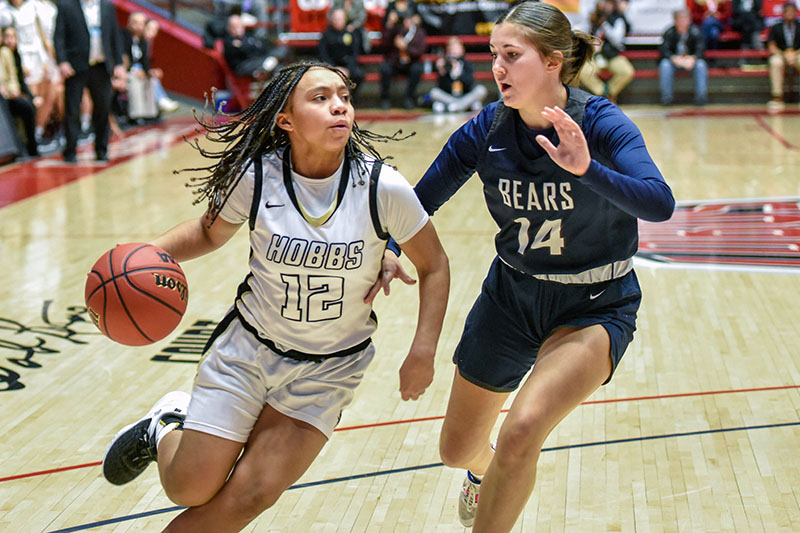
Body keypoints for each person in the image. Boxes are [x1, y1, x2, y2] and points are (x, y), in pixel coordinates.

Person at [101, 61, 450, 532]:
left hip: (329, 368)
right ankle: (165, 423)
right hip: (248, 351)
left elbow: (435, 265)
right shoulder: (257, 177)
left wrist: (422, 351)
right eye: (321, 98)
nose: (339, 107)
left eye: (344, 97)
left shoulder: (382, 186)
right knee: (188, 488)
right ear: (285, 119)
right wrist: (138, 257)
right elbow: (207, 234)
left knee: (250, 495)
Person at [369, 2, 675, 530]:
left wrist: (587, 170)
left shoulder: (601, 123)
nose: (498, 69)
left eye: (512, 55)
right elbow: (422, 200)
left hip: (594, 303)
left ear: (553, 63)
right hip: (512, 295)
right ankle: (486, 474)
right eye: (494, 55)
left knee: (521, 430)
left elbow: (658, 202)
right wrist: (393, 249)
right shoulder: (487, 129)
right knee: (457, 448)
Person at [54, 0, 125, 163]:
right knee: (72, 109)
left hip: (101, 66)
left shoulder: (107, 6)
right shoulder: (66, 6)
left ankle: (101, 150)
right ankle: (70, 151)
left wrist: (119, 63)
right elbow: (59, 36)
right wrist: (62, 61)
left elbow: (115, 34)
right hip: (76, 65)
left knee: (102, 108)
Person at [579, 0, 635, 103]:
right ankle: (602, 93)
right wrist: (591, 43)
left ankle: (610, 92)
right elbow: (582, 33)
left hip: (612, 55)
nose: (604, 5)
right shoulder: (593, 17)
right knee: (584, 72)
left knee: (626, 71)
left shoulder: (618, 18)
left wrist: (605, 25)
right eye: (602, 3)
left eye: (607, 3)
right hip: (595, 56)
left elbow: (617, 40)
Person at [0, 24, 38, 156]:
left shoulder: (6, 53)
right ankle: (16, 149)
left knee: (27, 106)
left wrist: (13, 91)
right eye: (6, 37)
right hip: (3, 99)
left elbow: (13, 78)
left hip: (8, 96)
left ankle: (31, 147)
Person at [658, 9, 709, 106]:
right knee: (664, 65)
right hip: (674, 61)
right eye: (680, 19)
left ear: (689, 20)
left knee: (701, 65)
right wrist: (673, 58)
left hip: (691, 61)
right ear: (675, 20)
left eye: (685, 19)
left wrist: (693, 58)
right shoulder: (669, 32)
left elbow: (701, 49)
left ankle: (701, 98)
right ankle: (666, 99)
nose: (682, 21)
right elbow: (663, 50)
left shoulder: (696, 31)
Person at [425, 35, 488, 113]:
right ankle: (461, 106)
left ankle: (457, 106)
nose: (454, 51)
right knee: (434, 93)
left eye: (456, 48)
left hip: (465, 95)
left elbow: (470, 83)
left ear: (462, 50)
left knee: (481, 90)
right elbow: (441, 86)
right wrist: (443, 71)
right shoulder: (444, 64)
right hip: (449, 96)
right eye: (451, 49)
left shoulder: (467, 64)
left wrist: (459, 74)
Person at [379, 11, 426, 109]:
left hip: (411, 62)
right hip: (395, 62)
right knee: (385, 68)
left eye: (409, 20)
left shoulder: (418, 32)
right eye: (405, 20)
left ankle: (409, 97)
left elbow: (420, 50)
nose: (408, 22)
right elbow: (384, 45)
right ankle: (385, 98)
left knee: (417, 69)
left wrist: (406, 49)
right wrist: (389, 26)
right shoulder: (395, 31)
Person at [318, 7, 365, 102]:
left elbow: (355, 54)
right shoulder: (326, 35)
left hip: (348, 66)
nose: (338, 21)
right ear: (331, 20)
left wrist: (347, 69)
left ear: (345, 19)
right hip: (331, 67)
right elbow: (323, 55)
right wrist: (335, 69)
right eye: (336, 19)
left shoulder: (352, 33)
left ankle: (352, 99)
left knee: (359, 73)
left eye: (340, 19)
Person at [222, 13, 287, 79]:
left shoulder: (248, 36)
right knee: (272, 64)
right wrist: (249, 45)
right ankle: (266, 66)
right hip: (243, 65)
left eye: (239, 25)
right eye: (234, 26)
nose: (238, 29)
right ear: (229, 28)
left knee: (281, 51)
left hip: (259, 59)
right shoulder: (228, 41)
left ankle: (269, 64)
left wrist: (247, 45)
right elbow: (244, 52)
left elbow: (261, 47)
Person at [766, 1, 800, 111]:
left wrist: (794, 54)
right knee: (775, 62)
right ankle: (777, 97)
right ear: (783, 13)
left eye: (792, 12)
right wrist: (784, 54)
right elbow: (771, 46)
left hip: (797, 54)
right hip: (781, 54)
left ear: (796, 13)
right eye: (788, 12)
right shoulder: (776, 27)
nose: (790, 14)